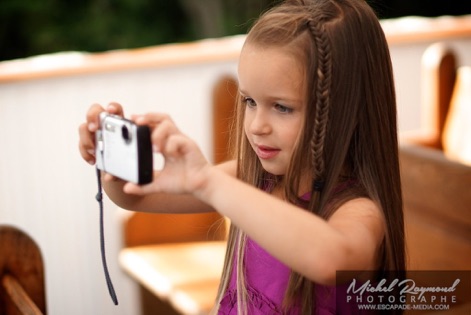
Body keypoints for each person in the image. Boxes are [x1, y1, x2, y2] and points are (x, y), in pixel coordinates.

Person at [78, 0, 405, 313]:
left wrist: (207, 181)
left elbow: (329, 259)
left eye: (281, 107)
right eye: (249, 101)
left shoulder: (360, 211)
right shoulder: (250, 180)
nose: (257, 126)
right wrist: (113, 167)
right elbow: (134, 199)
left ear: (345, 112)